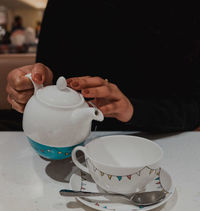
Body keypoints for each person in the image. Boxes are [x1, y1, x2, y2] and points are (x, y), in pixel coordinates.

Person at [6, 1, 200, 132]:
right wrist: (36, 85)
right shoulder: (63, 7)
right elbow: (51, 73)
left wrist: (132, 109)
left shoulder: (182, 10)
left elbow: (191, 106)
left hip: (154, 140)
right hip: (67, 141)